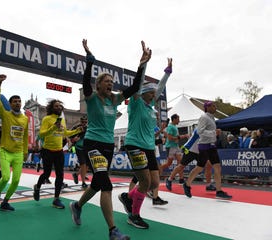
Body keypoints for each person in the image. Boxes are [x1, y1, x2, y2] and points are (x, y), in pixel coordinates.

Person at [69, 39, 151, 240]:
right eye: (107, 82)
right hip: (92, 144)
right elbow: (85, 83)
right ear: (98, 85)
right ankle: (113, 231)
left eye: (112, 83)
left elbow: (133, 88)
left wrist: (142, 64)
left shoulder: (115, 100)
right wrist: (89, 62)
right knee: (106, 185)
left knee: (97, 184)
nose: (111, 85)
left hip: (107, 146)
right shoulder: (92, 98)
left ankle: (77, 205)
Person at [118, 57, 172, 229]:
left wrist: (167, 73)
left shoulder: (151, 110)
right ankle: (134, 215)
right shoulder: (136, 103)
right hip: (135, 145)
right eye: (151, 93)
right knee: (145, 182)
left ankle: (128, 197)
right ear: (143, 93)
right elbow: (138, 83)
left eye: (155, 93)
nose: (155, 95)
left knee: (154, 183)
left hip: (149, 147)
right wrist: (143, 63)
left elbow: (161, 88)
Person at [0, 74, 29, 211]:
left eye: (19, 101)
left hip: (18, 153)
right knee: (5, 177)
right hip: (5, 150)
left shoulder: (25, 119)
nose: (18, 103)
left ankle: (5, 202)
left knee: (16, 180)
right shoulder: (5, 115)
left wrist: (25, 152)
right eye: (15, 101)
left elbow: (24, 137)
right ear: (10, 104)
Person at [33, 99, 82, 209]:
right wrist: (53, 127)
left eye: (60, 106)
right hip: (47, 151)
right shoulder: (47, 119)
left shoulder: (62, 120)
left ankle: (56, 199)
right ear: (51, 108)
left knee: (60, 175)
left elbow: (65, 133)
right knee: (47, 174)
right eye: (56, 106)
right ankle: (37, 187)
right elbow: (42, 134)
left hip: (59, 151)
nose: (59, 108)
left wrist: (76, 131)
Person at [182, 101, 232, 199]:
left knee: (217, 167)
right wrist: (214, 133)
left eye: (215, 106)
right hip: (204, 145)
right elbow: (200, 131)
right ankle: (187, 184)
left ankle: (219, 191)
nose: (215, 107)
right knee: (199, 167)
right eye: (213, 106)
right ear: (207, 107)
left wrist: (214, 135)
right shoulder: (204, 117)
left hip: (211, 145)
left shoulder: (211, 118)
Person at [71, 115, 89, 189]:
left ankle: (76, 174)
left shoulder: (89, 128)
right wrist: (73, 139)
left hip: (86, 148)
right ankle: (83, 183)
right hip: (79, 148)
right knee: (83, 165)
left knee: (87, 166)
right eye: (82, 122)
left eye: (85, 122)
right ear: (80, 121)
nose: (84, 123)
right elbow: (70, 136)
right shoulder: (76, 128)